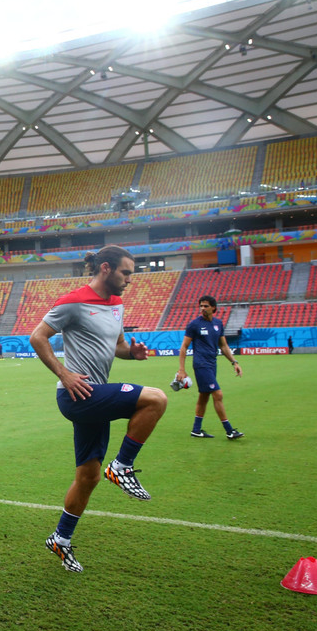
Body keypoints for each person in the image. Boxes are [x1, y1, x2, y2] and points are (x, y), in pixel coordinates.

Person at [29, 245, 167, 573]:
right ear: (105, 268)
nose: (129, 280)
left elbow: (117, 346)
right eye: (126, 273)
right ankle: (122, 466)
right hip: (76, 394)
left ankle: (60, 539)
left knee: (88, 477)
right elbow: (38, 337)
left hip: (94, 396)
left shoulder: (117, 303)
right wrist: (63, 372)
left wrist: (131, 353)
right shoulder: (73, 301)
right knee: (157, 398)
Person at [177, 296, 244, 440]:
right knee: (217, 394)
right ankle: (229, 431)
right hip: (201, 364)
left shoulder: (218, 324)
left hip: (212, 363)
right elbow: (184, 347)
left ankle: (196, 429)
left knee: (204, 396)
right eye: (201, 306)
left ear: (213, 308)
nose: (202, 308)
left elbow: (224, 346)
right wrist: (181, 369)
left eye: (206, 306)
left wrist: (234, 362)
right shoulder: (194, 324)